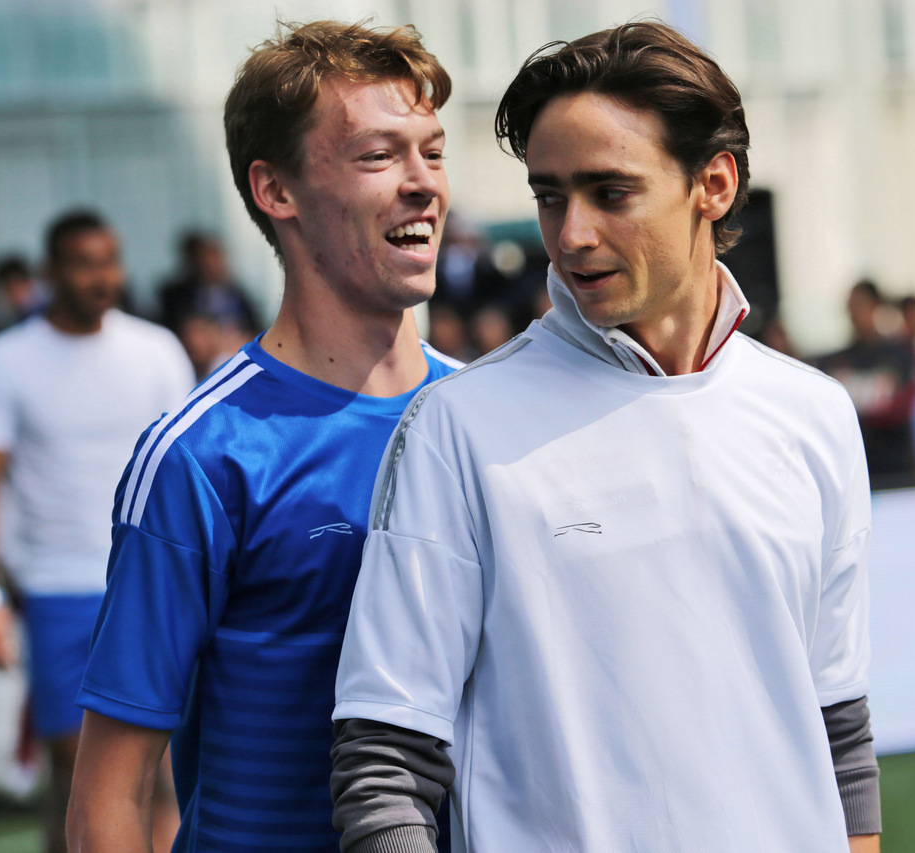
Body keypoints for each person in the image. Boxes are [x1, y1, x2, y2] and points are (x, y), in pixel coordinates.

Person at [331, 21, 880, 853]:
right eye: (549, 195)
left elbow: (838, 727)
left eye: (609, 191)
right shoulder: (458, 426)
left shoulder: (814, 412)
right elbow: (384, 766)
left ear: (715, 184)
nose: (571, 233)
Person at [66, 19, 458, 853]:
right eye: (380, 155)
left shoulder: (485, 415)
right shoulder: (202, 454)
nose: (424, 183)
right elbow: (113, 796)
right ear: (275, 191)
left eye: (433, 150)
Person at [0, 210, 193, 853]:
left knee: (165, 774)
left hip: (150, 588)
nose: (102, 276)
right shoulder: (7, 360)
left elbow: (189, 470)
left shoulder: (156, 350)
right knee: (79, 772)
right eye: (85, 263)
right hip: (57, 589)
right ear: (50, 272)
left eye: (111, 261)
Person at [817, 279, 915, 485]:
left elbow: (900, 409)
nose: (854, 313)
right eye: (851, 306)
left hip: (895, 469)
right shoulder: (834, 362)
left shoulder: (900, 357)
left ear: (876, 306)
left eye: (860, 305)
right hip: (853, 469)